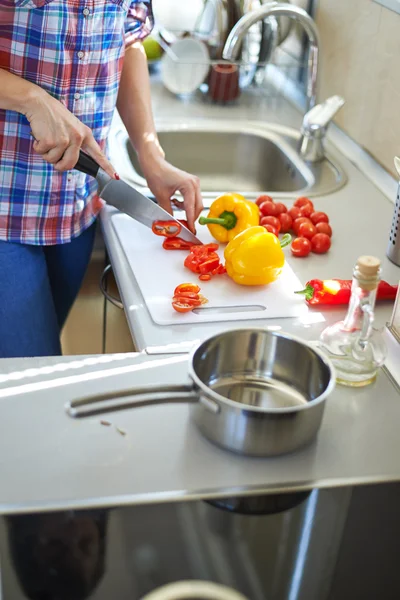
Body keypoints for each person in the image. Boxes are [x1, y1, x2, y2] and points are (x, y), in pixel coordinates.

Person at [0, 0, 203, 358]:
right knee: (36, 374)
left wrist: (150, 152)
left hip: (76, 206)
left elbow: (127, 40)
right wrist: (32, 100)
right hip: (4, 204)